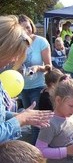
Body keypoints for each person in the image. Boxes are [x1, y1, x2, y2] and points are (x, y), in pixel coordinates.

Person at [0, 15, 53, 143]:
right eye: (14, 54)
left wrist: (18, 116)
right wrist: (21, 119)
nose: (14, 60)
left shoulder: (41, 42)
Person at [36, 75, 73, 163]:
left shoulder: (71, 115)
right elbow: (40, 150)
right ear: (58, 100)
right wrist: (66, 151)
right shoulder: (50, 123)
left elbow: (71, 129)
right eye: (71, 106)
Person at [18, 14, 52, 145]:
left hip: (38, 86)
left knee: (37, 122)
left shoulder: (41, 41)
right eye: (22, 29)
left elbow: (49, 67)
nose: (26, 31)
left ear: (31, 25)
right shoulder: (17, 43)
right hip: (23, 87)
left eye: (27, 27)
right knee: (31, 121)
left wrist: (38, 68)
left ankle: (36, 151)